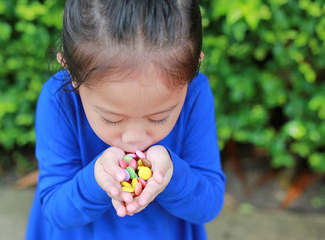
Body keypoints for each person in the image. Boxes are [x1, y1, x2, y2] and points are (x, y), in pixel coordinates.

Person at [25, 0, 226, 239]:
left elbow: (209, 204)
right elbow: (56, 212)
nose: (134, 141)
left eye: (159, 117)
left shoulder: (196, 94)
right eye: (111, 119)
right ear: (72, 73)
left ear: (192, 71)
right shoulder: (58, 101)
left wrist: (171, 176)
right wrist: (96, 180)